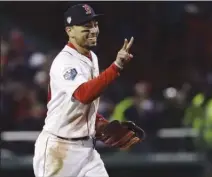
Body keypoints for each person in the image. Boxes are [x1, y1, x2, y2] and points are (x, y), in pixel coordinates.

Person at [33, 4, 145, 177]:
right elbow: (83, 94)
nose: (93, 30)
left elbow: (82, 107)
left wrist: (101, 123)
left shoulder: (92, 57)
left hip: (86, 149)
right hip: (58, 149)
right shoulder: (64, 61)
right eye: (86, 26)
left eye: (95, 24)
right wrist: (116, 67)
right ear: (70, 31)